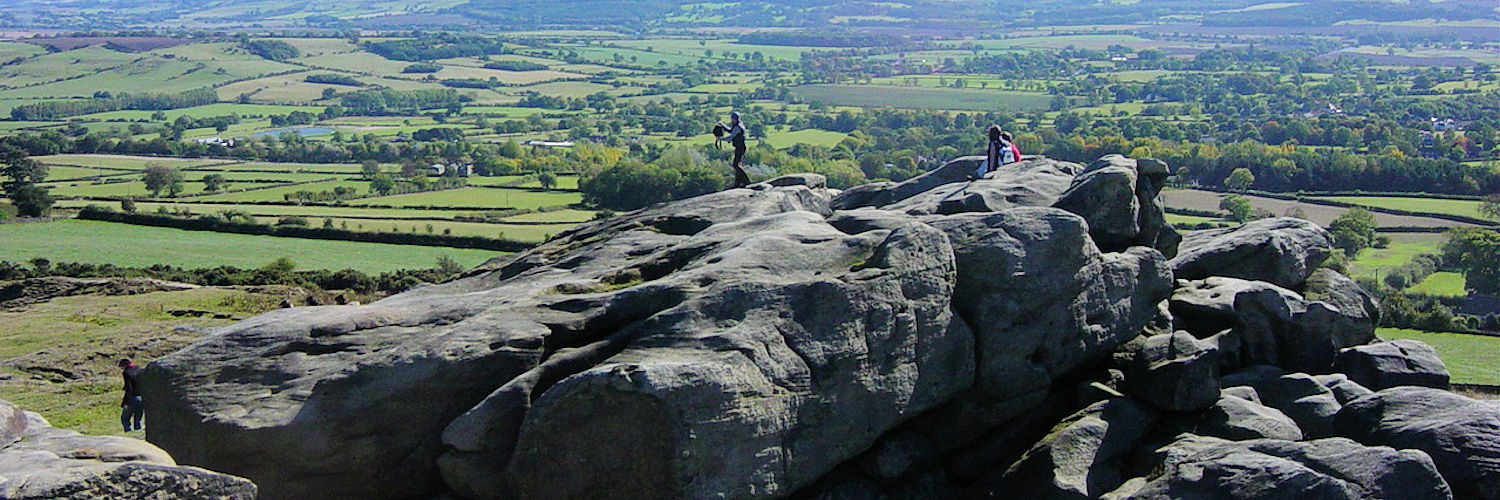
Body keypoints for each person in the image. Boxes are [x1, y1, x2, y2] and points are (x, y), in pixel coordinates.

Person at [719, 112, 750, 188]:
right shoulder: (737, 126)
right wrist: (723, 125)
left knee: (736, 164)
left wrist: (721, 139)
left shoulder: (738, 127)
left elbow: (731, 136)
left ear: (737, 119)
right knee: (736, 165)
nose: (732, 120)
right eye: (732, 119)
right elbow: (731, 131)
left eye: (734, 119)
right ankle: (738, 182)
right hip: (739, 147)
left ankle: (746, 181)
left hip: (740, 147)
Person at [119, 358, 144, 432]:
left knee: (125, 418)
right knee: (138, 417)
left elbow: (129, 389)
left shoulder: (127, 373)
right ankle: (138, 430)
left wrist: (125, 403)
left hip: (133, 397)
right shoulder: (139, 369)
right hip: (142, 397)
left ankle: (129, 431)